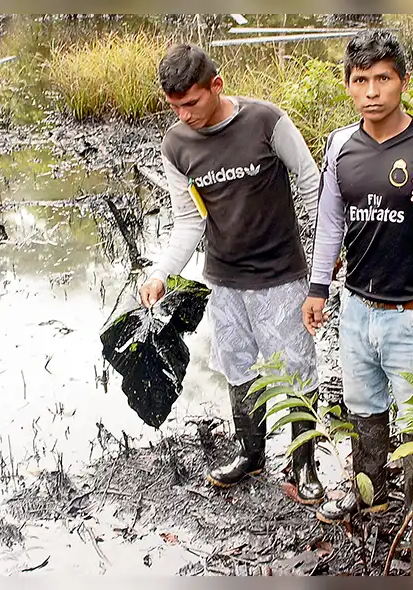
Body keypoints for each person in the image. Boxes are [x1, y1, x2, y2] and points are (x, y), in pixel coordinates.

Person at [139, 44, 325, 505]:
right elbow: (188, 220)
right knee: (237, 367)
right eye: (175, 106)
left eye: (193, 103)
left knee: (296, 371)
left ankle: (305, 466)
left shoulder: (266, 121)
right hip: (223, 279)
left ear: (216, 86)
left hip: (281, 275)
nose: (185, 115)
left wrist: (326, 258)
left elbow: (310, 182)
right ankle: (251, 454)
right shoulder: (176, 145)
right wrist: (162, 273)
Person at [302, 29, 413, 523]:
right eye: (361, 80)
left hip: (411, 312)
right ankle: (370, 491)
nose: (372, 92)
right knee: (362, 406)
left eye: (382, 78)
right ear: (348, 85)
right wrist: (318, 288)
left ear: (403, 81)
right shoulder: (339, 145)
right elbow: (331, 221)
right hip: (355, 306)